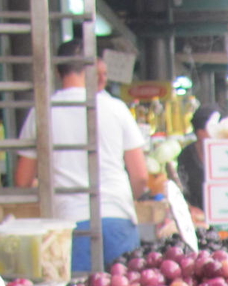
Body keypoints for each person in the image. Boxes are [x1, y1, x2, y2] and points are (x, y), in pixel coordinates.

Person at [14, 39, 147, 272]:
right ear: (91, 67)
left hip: (69, 223)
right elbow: (141, 177)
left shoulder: (42, 112)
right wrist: (131, 198)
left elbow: (22, 180)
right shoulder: (116, 108)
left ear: (57, 72)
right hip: (117, 217)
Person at [176, 103, 221, 225]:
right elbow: (181, 188)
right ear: (201, 133)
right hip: (198, 220)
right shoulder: (186, 157)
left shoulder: (225, 154)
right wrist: (189, 207)